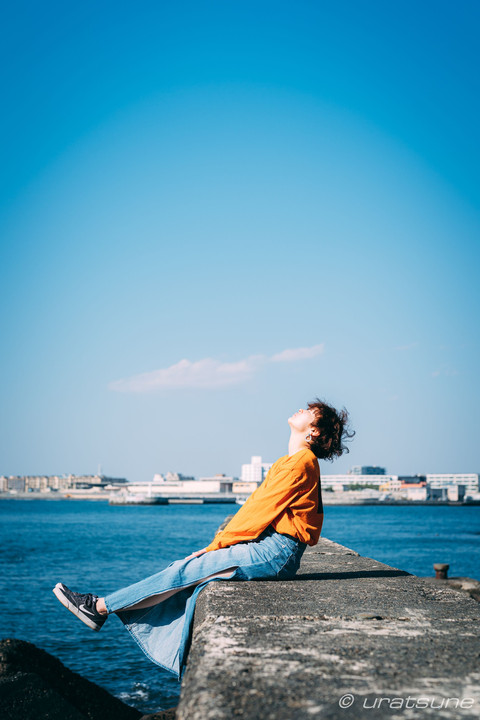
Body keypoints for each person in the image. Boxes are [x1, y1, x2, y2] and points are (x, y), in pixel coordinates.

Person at [53, 398, 354, 679]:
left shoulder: (302, 463)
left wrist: (215, 546)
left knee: (186, 570)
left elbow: (256, 512)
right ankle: (120, 621)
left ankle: (99, 607)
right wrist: (220, 545)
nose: (300, 410)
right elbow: (258, 509)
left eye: (308, 411)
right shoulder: (291, 462)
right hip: (271, 548)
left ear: (313, 430)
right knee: (186, 575)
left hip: (276, 552)